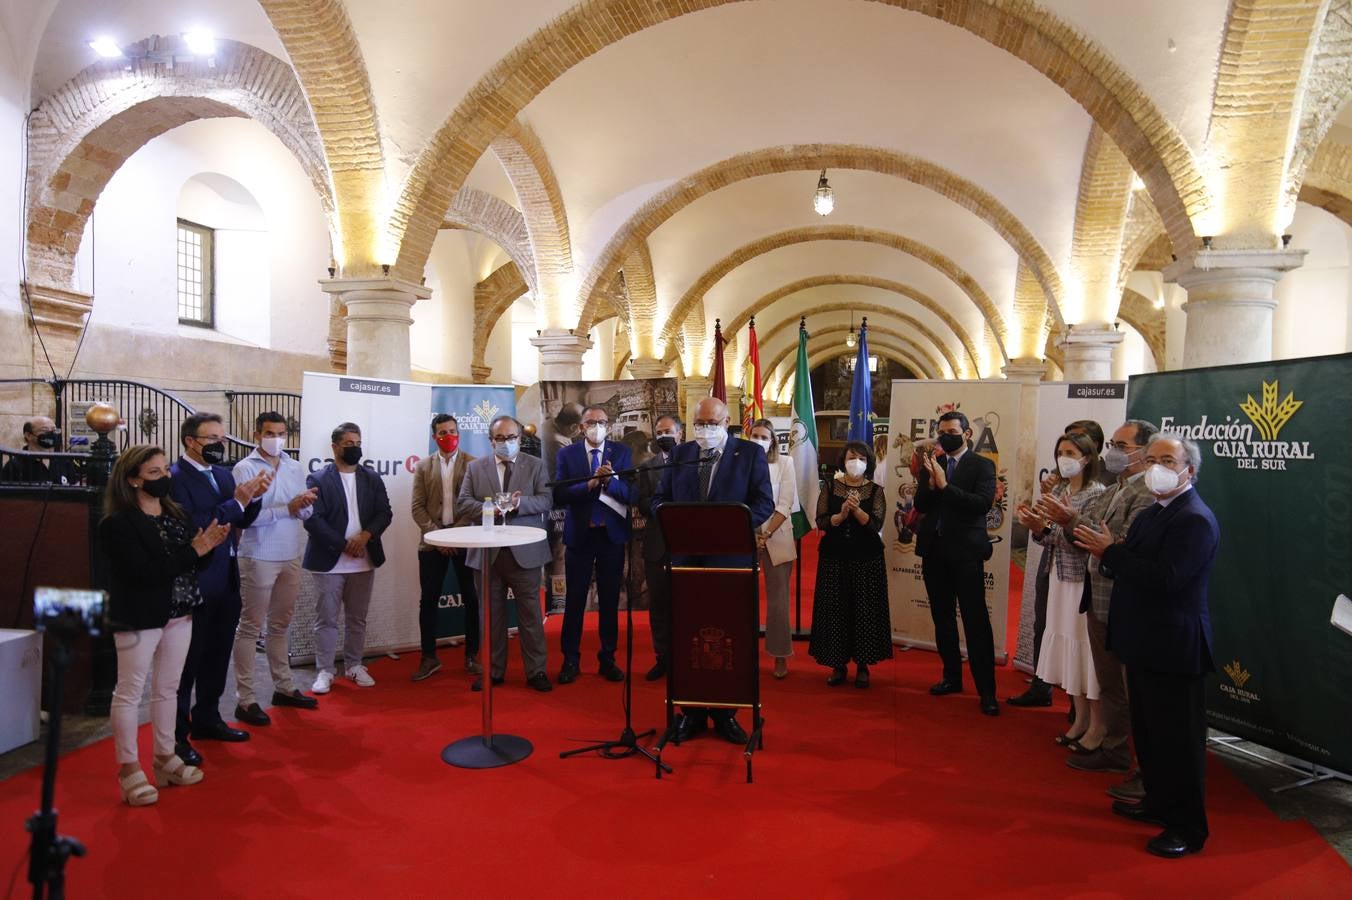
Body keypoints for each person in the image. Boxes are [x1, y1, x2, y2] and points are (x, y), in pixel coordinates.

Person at [1074, 434, 1219, 859]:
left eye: (1167, 460)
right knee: (1152, 735)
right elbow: (1129, 561)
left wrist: (1110, 553)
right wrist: (1111, 550)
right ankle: (1157, 802)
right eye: (1152, 458)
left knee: (1179, 741)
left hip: (1174, 645)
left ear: (1188, 470)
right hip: (1143, 641)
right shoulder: (1156, 511)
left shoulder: (1194, 518)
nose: (1157, 466)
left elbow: (1167, 579)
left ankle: (1188, 828)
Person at [101, 445, 230, 806]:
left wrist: (209, 548)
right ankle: (128, 768)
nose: (164, 478)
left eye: (164, 471)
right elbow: (145, 573)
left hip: (182, 610)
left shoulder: (176, 513)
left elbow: (193, 563)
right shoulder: (118, 524)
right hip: (139, 614)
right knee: (129, 691)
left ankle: (164, 757)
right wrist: (196, 550)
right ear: (132, 479)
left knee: (169, 689)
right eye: (154, 473)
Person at [1038, 419, 1158, 782]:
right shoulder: (1116, 488)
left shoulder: (1146, 494)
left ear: (1145, 453)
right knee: (1108, 680)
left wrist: (1074, 525)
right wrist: (1066, 520)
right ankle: (1113, 748)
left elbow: (1123, 541)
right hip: (1099, 595)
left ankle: (1120, 749)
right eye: (1114, 446)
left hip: (1123, 597)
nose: (1113, 453)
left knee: (1122, 682)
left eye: (1122, 446)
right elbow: (1086, 525)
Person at [654, 396, 774, 744]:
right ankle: (689, 713)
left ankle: (725, 713)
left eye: (710, 423)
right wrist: (669, 517)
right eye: (698, 423)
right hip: (686, 563)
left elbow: (763, 502)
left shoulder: (749, 455)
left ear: (726, 422)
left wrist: (727, 526)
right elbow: (659, 497)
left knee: (727, 637)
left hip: (729, 562)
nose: (703, 430)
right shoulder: (680, 455)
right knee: (686, 635)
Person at [171, 413, 269, 765]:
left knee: (217, 653)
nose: (218, 444)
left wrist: (254, 497)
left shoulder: (224, 475)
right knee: (187, 662)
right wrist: (237, 502)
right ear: (190, 441)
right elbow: (194, 524)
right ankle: (177, 737)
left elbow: (242, 518)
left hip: (226, 576)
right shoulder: (174, 477)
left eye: (221, 438)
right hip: (196, 580)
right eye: (211, 438)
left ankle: (208, 717)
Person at [1009, 419, 1107, 708]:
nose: (1063, 459)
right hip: (1054, 568)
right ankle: (1047, 686)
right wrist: (1036, 527)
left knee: (1080, 638)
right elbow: (1043, 535)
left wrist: (1049, 530)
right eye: (1060, 453)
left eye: (1071, 452)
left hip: (1079, 575)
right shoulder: (1057, 487)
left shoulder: (1099, 492)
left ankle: (1081, 704)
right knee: (1049, 625)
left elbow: (1083, 540)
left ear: (1090, 454)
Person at [230, 412, 320, 725]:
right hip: (258, 554)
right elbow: (245, 517)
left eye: (281, 433)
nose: (277, 439)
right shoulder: (245, 468)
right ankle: (246, 698)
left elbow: (302, 511)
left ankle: (283, 686)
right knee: (251, 626)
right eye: (270, 433)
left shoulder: (295, 466)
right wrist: (288, 509)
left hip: (291, 552)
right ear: (257, 435)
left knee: (281, 624)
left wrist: (306, 506)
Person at [455, 415, 553, 692]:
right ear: (491, 440)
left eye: (511, 438)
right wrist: (491, 509)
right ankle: (493, 671)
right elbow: (463, 503)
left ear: (520, 439)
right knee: (491, 616)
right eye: (500, 438)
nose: (506, 443)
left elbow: (547, 499)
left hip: (526, 553)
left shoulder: (536, 466)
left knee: (531, 616)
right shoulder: (476, 468)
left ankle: (536, 671)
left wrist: (519, 503)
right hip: (488, 555)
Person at [914, 411, 1000, 716]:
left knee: (976, 621)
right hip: (934, 551)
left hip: (966, 553)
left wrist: (945, 486)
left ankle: (987, 691)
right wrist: (930, 479)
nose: (945, 436)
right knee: (942, 617)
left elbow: (981, 504)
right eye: (941, 431)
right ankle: (951, 676)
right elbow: (921, 504)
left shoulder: (982, 465)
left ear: (966, 434)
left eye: (951, 430)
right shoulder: (932, 463)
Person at [302, 422, 393, 694]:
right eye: (348, 444)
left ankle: (354, 665)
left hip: (364, 559)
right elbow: (312, 520)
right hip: (329, 560)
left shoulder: (372, 478)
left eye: (358, 443)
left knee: (357, 618)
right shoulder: (317, 479)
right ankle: (325, 670)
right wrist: (344, 544)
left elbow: (384, 513)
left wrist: (364, 537)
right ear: (335, 447)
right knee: (326, 619)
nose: (354, 448)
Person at [554, 404, 634, 684]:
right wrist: (590, 484)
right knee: (575, 600)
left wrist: (610, 481)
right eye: (591, 422)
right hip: (580, 537)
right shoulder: (567, 454)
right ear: (581, 427)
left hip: (610, 537)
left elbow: (629, 493)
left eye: (602, 421)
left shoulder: (621, 453)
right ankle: (570, 659)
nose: (597, 426)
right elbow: (560, 494)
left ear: (608, 425)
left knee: (609, 601)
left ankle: (607, 658)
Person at [809, 440, 891, 687]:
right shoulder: (831, 487)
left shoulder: (876, 490)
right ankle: (838, 664)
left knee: (864, 610)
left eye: (862, 458)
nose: (856, 462)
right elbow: (821, 520)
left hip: (866, 559)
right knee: (835, 610)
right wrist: (841, 514)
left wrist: (856, 512)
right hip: (834, 557)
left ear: (869, 462)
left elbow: (876, 524)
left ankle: (863, 666)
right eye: (851, 457)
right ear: (843, 460)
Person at [410, 414, 481, 682]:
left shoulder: (474, 464)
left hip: (464, 541)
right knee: (428, 600)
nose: (448, 436)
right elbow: (417, 507)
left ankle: (472, 656)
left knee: (472, 599)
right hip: (432, 544)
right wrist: (437, 536)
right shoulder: (423, 466)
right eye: (442, 432)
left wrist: (454, 536)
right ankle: (428, 657)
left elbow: (474, 504)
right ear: (434, 437)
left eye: (452, 431)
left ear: (458, 433)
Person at [749, 420, 798, 679]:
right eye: (755, 435)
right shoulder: (740, 465)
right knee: (742, 600)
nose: (759, 440)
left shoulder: (785, 464)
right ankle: (744, 652)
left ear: (772, 441)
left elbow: (785, 503)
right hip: (746, 538)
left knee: (778, 603)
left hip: (776, 536)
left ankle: (780, 655)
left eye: (764, 436)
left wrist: (765, 535)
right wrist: (752, 535)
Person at [638, 414, 682, 680]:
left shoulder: (693, 461)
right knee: (659, 605)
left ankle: (684, 658)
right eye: (659, 431)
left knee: (685, 605)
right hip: (656, 543)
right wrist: (660, 509)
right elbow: (642, 501)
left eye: (668, 431)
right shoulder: (647, 466)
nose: (663, 435)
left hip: (686, 545)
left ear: (679, 433)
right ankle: (663, 658)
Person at [2, 416, 76, 484]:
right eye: (44, 430)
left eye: (54, 430)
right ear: (28, 435)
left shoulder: (64, 462)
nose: (51, 434)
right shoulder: (14, 466)